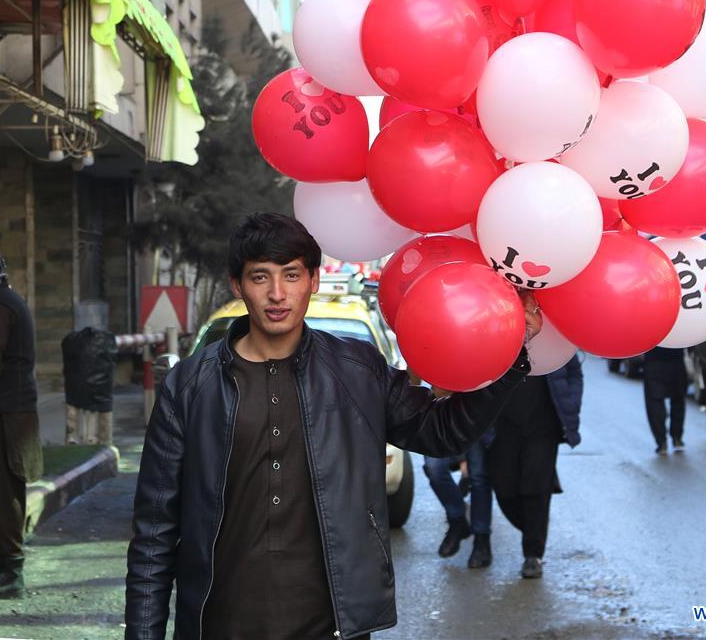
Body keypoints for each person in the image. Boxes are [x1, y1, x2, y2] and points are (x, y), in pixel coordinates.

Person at [125, 213, 538, 640]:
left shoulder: (358, 371)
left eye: (291, 275)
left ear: (314, 280)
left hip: (333, 628)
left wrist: (512, 355)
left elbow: (442, 432)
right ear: (237, 285)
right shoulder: (189, 387)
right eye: (260, 277)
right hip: (219, 627)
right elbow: (154, 536)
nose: (277, 293)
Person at [488, 313, 583, 581]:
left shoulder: (555, 334)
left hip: (544, 426)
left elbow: (574, 373)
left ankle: (533, 554)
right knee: (504, 489)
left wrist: (571, 405)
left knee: (537, 491)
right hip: (503, 427)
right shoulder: (496, 331)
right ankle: (532, 529)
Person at [0, 245, 43, 599]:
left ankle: (11, 573)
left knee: (2, 493)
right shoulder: (6, 299)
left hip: (6, 414)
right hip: (12, 411)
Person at [423, 430, 494, 568]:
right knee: (434, 468)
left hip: (476, 422)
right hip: (438, 421)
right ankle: (457, 520)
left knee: (478, 477)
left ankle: (482, 539)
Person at [642, 345, 688, 455]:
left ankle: (661, 442)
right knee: (678, 400)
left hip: (654, 361)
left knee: (655, 402)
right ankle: (677, 438)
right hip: (676, 360)